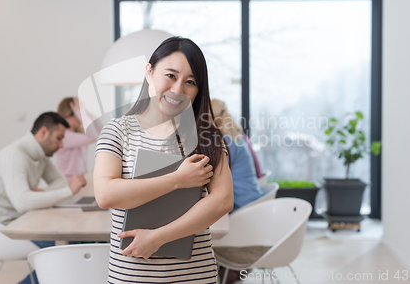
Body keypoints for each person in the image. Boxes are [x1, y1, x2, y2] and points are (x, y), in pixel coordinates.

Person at [94, 37, 234, 284]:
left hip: (195, 276)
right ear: (149, 72)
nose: (178, 89)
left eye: (190, 82)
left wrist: (159, 237)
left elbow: (222, 201)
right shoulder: (118, 131)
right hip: (133, 276)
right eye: (170, 75)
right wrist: (176, 180)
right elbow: (106, 194)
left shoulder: (207, 136)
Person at [0, 112, 87, 284]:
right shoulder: (15, 155)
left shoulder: (40, 155)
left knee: (71, 241)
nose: (61, 145)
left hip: (21, 221)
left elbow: (59, 182)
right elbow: (22, 202)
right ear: (43, 132)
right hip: (1, 230)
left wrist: (39, 195)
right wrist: (68, 191)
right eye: (59, 138)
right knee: (54, 251)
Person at [211, 99, 264, 212]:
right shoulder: (234, 137)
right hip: (251, 201)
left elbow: (216, 174)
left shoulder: (226, 141)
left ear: (210, 119)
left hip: (244, 207)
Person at [55, 97, 97, 181]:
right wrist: (80, 112)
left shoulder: (76, 134)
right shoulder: (64, 136)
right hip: (69, 184)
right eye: (78, 113)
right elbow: (94, 136)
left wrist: (85, 111)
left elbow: (100, 128)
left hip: (79, 181)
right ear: (70, 115)